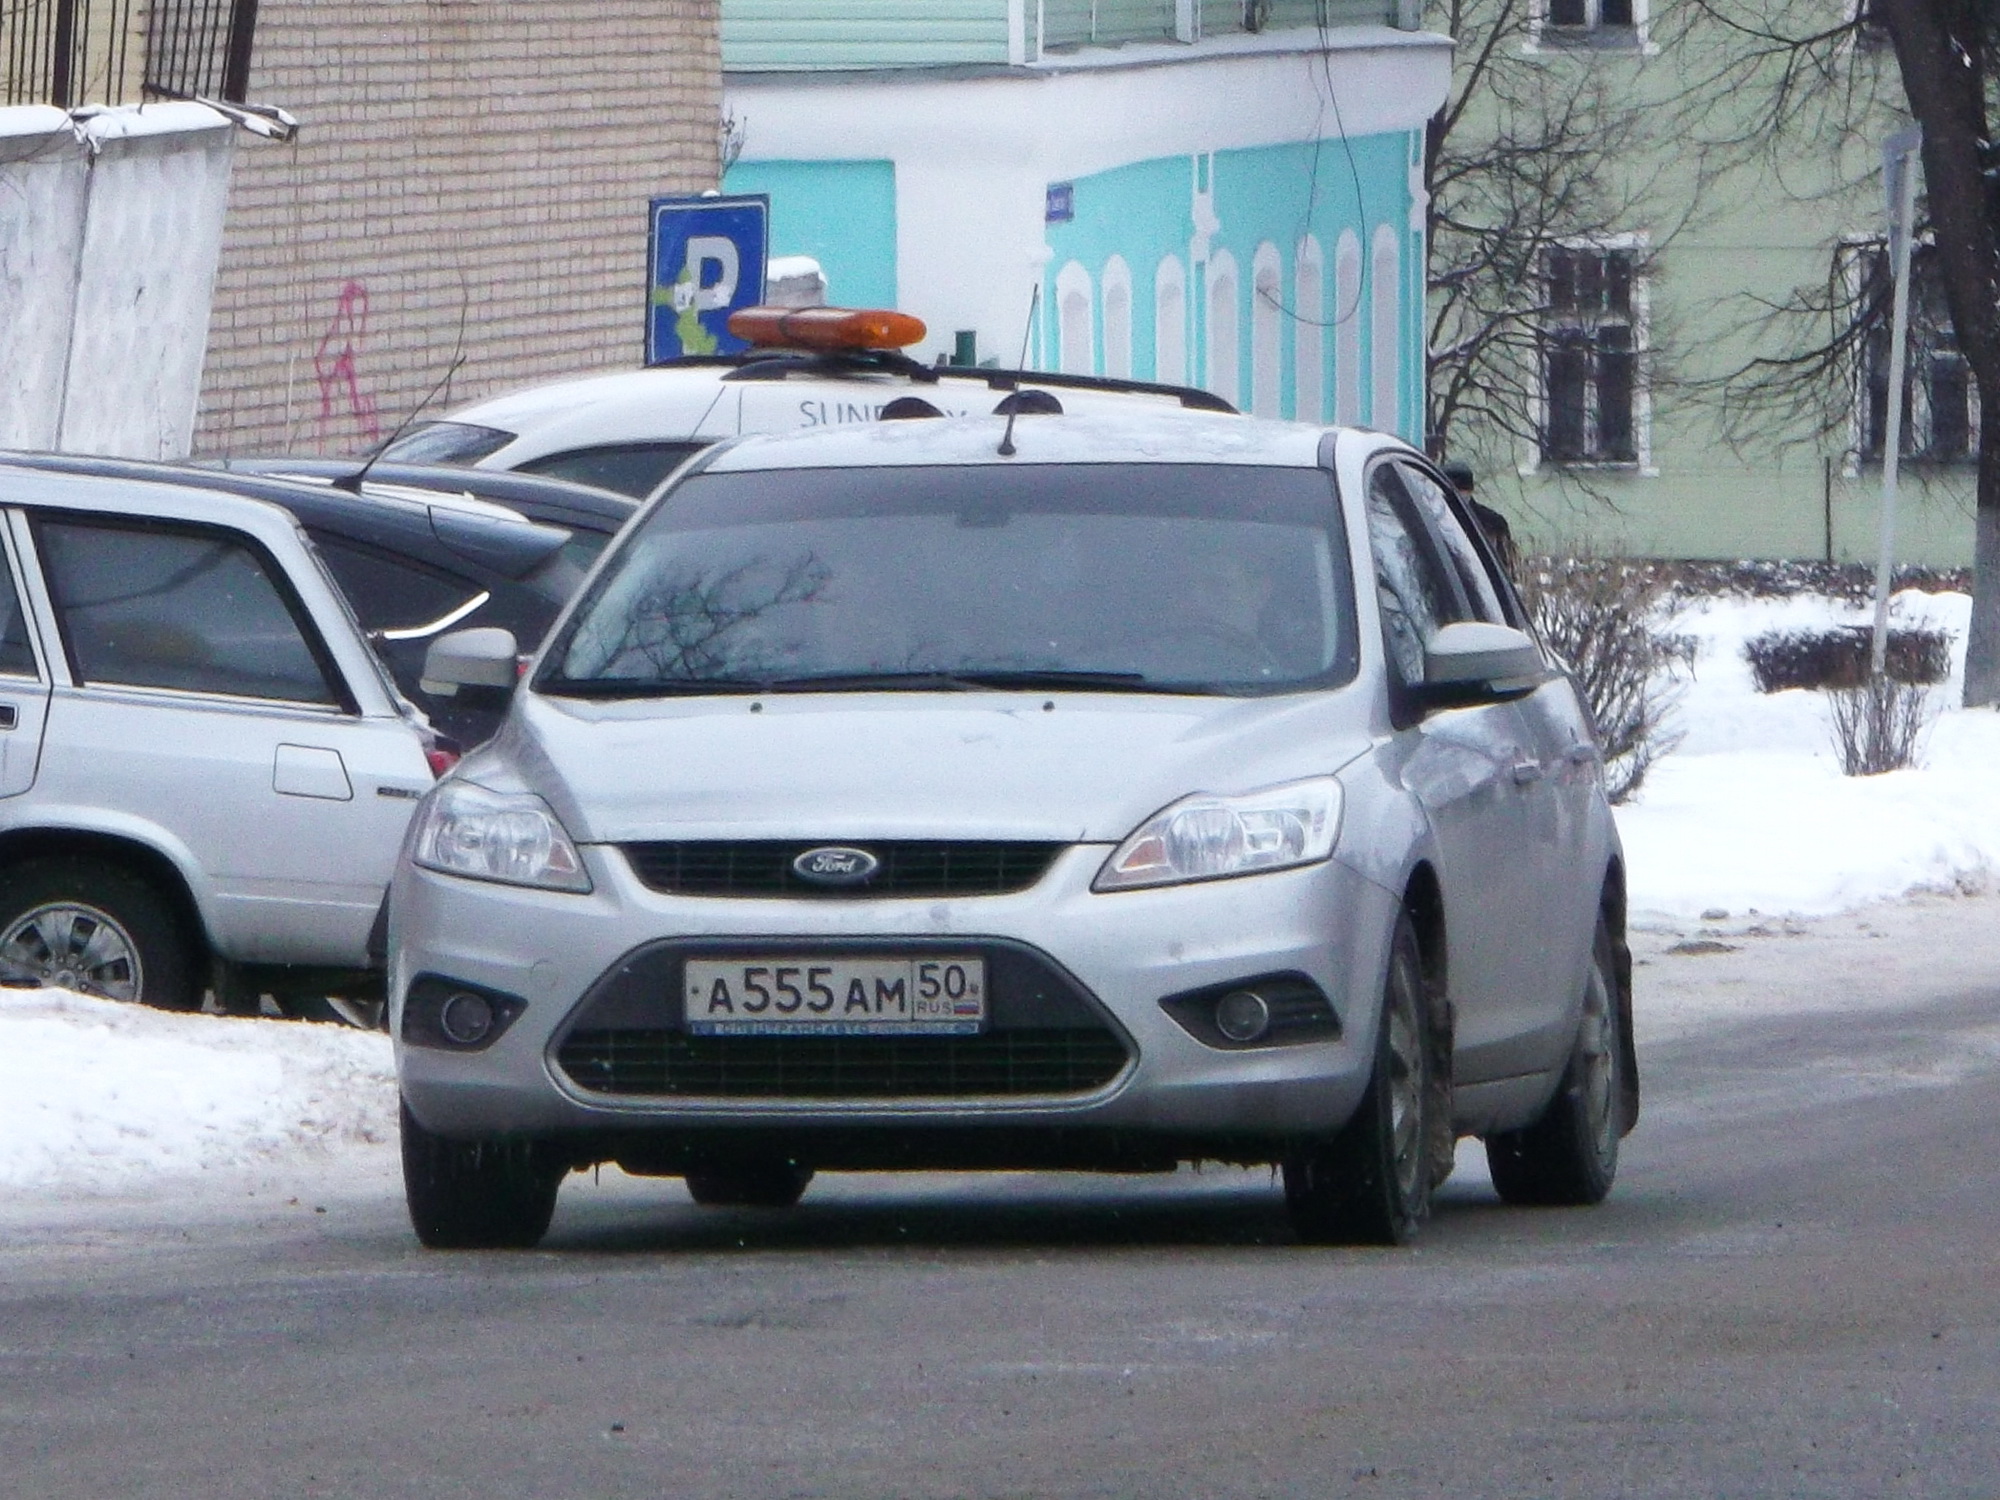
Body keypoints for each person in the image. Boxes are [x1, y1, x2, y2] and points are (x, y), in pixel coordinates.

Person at [1440, 458, 1519, 581]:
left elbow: (1507, 569)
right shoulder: (1433, 520)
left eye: (1461, 489)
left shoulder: (1493, 523)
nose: (1457, 496)